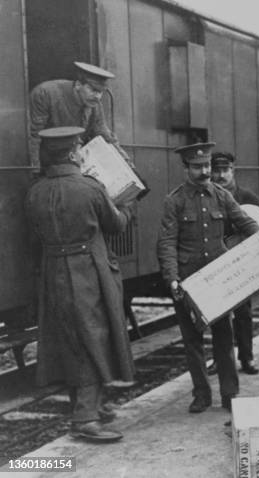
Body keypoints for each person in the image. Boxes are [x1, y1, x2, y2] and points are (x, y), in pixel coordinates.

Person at [25, 126, 135, 443]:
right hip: (88, 271)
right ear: (74, 153)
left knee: (70, 337)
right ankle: (85, 418)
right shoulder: (90, 187)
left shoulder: (35, 191)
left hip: (52, 271)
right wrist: (127, 206)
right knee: (93, 337)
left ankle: (88, 407)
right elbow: (115, 225)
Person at [156, 143, 259, 414]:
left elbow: (245, 223)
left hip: (218, 281)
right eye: (197, 167)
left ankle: (229, 395)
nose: (204, 172)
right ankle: (201, 395)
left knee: (224, 338)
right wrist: (172, 278)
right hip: (188, 281)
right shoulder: (175, 201)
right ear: (186, 168)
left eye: (207, 166)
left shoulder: (222, 196)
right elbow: (167, 242)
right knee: (192, 341)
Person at [210, 151, 259, 375]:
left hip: (240, 263)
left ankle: (247, 358)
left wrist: (254, 243)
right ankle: (220, 360)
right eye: (216, 171)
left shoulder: (245, 196)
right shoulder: (208, 196)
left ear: (233, 171)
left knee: (243, 313)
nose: (220, 175)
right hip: (217, 261)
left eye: (225, 170)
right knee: (218, 314)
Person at [29, 61, 131, 169]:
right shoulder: (45, 94)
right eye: (93, 90)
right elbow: (34, 136)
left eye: (100, 92)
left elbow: (103, 133)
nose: (97, 96)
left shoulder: (93, 103)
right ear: (78, 85)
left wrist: (126, 161)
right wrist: (35, 169)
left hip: (76, 161)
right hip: (48, 161)